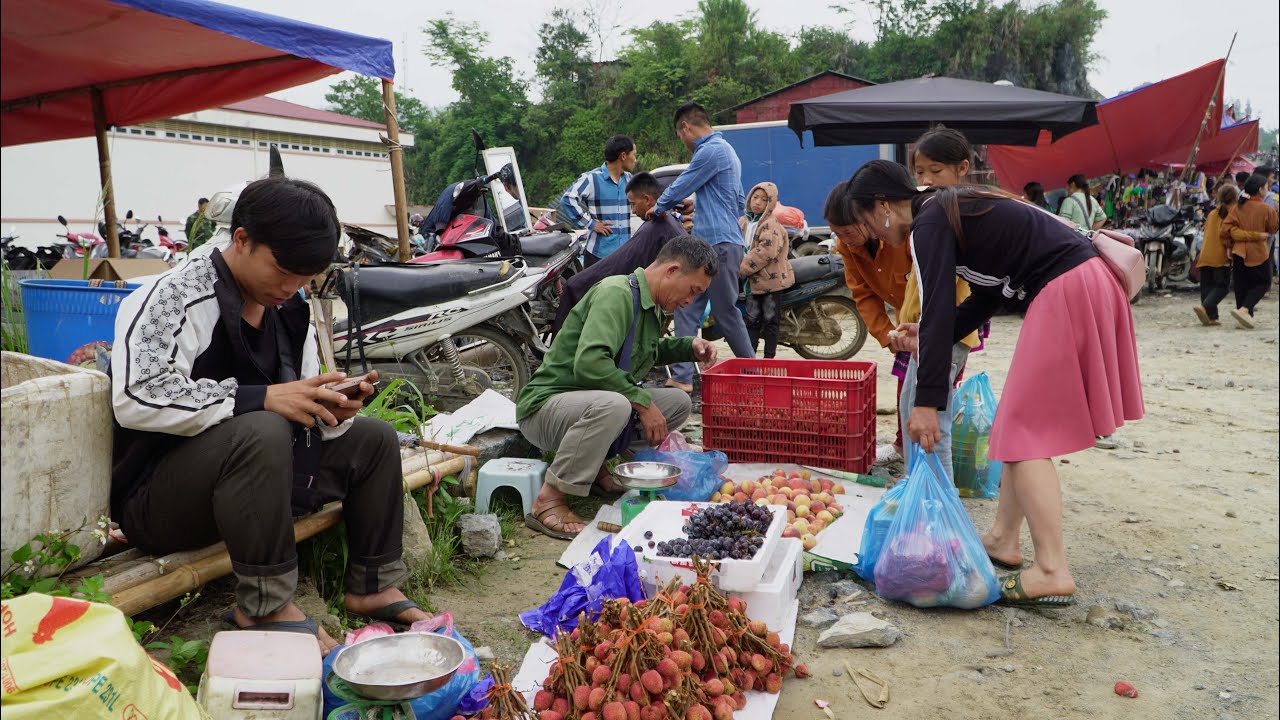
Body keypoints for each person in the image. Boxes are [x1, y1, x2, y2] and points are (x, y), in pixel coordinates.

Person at [111, 177, 425, 655]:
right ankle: (264, 606)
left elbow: (292, 401)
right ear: (241, 240)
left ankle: (373, 585)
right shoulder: (172, 296)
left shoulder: (287, 309)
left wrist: (331, 409)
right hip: (161, 502)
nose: (292, 287)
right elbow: (137, 394)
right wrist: (259, 398)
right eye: (284, 271)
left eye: (306, 277)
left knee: (375, 439)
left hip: (257, 492)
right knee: (260, 427)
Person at [845, 160, 1143, 606]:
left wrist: (926, 402)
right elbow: (986, 294)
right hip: (1083, 283)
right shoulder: (947, 210)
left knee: (1024, 436)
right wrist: (928, 335)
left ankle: (1051, 568)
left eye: (865, 221)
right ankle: (1004, 539)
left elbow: (940, 302)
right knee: (1016, 428)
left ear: (883, 205)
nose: (870, 233)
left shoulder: (928, 224)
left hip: (1067, 287)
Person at [517, 235, 721, 539]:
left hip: (585, 408)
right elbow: (590, 363)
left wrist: (687, 346)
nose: (690, 301)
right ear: (672, 270)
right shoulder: (617, 294)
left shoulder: (649, 306)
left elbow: (644, 351)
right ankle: (550, 497)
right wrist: (642, 401)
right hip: (546, 409)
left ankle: (596, 468)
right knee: (617, 405)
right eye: (693, 290)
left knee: (676, 402)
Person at [647, 103, 754, 393]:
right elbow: (735, 198)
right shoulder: (727, 151)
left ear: (685, 127)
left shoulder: (709, 151)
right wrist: (700, 204)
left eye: (679, 135)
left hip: (717, 245)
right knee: (687, 308)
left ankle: (755, 372)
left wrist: (658, 208)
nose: (682, 141)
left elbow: (683, 183)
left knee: (725, 312)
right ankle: (682, 377)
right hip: (718, 243)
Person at [899, 127, 986, 479]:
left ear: (962, 167)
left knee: (936, 422)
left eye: (936, 171)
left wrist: (934, 328)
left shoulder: (955, 213)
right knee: (912, 409)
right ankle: (918, 494)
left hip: (947, 331)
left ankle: (942, 505)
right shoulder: (936, 210)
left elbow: (945, 289)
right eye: (920, 172)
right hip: (933, 329)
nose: (926, 179)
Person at [825, 185, 912, 462]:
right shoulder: (847, 247)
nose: (844, 240)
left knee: (940, 383)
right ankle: (903, 445)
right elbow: (862, 292)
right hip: (905, 316)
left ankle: (931, 454)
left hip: (934, 311)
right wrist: (887, 336)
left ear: (867, 219)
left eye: (848, 231)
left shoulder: (903, 236)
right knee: (905, 380)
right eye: (837, 233)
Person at [550, 172, 685, 334]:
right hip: (618, 268)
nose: (633, 211)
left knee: (574, 285)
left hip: (622, 278)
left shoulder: (658, 226)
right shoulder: (666, 222)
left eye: (633, 204)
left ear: (647, 199)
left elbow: (624, 262)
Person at [560, 135, 638, 265]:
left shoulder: (629, 179)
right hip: (599, 255)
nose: (635, 160)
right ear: (623, 156)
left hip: (624, 254)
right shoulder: (592, 179)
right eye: (634, 155)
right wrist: (591, 224)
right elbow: (567, 200)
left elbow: (647, 202)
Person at [738, 182, 793, 358]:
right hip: (752, 283)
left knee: (770, 321)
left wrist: (742, 268)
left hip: (771, 282)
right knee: (752, 321)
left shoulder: (771, 225)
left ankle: (769, 359)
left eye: (764, 199)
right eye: (755, 197)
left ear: (771, 203)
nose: (757, 202)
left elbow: (766, 252)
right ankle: (750, 358)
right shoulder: (743, 221)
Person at [1221, 173, 1280, 328]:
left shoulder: (1237, 208)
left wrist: (1231, 243)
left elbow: (1225, 230)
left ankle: (1244, 317)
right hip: (1258, 252)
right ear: (1260, 189)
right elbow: (1273, 228)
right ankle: (1245, 310)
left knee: (1242, 285)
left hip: (1238, 251)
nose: (1268, 189)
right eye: (1266, 187)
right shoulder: (1266, 208)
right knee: (1263, 282)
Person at [1193, 183, 1238, 326]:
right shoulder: (1233, 213)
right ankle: (1205, 307)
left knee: (1207, 285)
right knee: (1222, 287)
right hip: (1220, 255)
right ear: (1235, 197)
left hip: (1205, 254)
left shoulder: (1212, 213)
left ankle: (1212, 317)